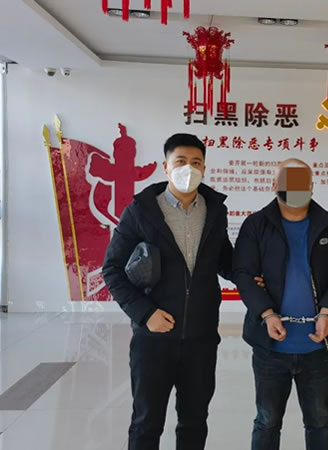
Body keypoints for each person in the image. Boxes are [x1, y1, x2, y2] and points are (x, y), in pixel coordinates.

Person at [103, 133, 232, 450]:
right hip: (153, 339)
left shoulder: (214, 210)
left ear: (204, 168)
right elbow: (112, 269)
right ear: (166, 166)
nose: (189, 168)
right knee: (147, 423)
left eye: (196, 162)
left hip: (201, 338)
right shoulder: (141, 211)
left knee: (194, 421)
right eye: (181, 161)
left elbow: (224, 260)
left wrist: (256, 276)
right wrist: (145, 313)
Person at [233, 158, 328, 450]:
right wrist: (267, 313)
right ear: (275, 185)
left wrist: (327, 312)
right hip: (270, 348)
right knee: (267, 420)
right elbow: (244, 273)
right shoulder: (256, 225)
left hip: (317, 347)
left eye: (302, 183)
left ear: (311, 187)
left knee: (319, 420)